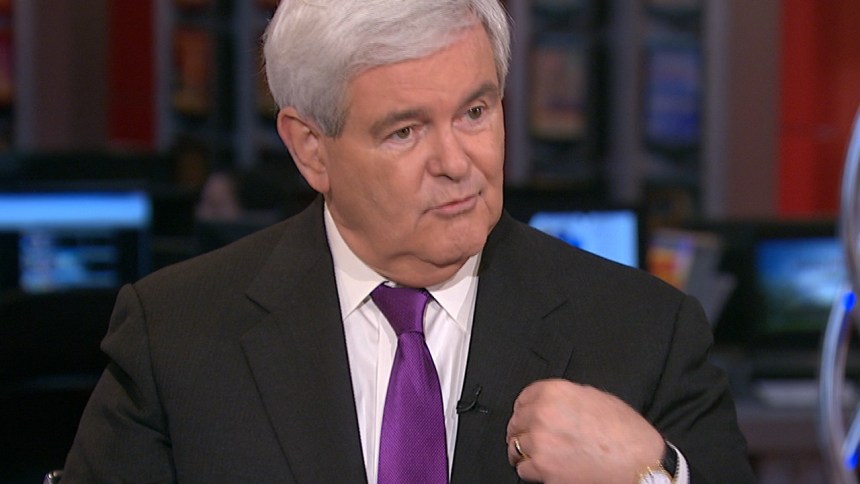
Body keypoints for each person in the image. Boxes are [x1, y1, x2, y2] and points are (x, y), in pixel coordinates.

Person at [61, 0, 755, 482]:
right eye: (405, 130)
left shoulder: (644, 331)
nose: (457, 162)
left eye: (475, 111)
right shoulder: (175, 336)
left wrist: (650, 478)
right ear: (310, 149)